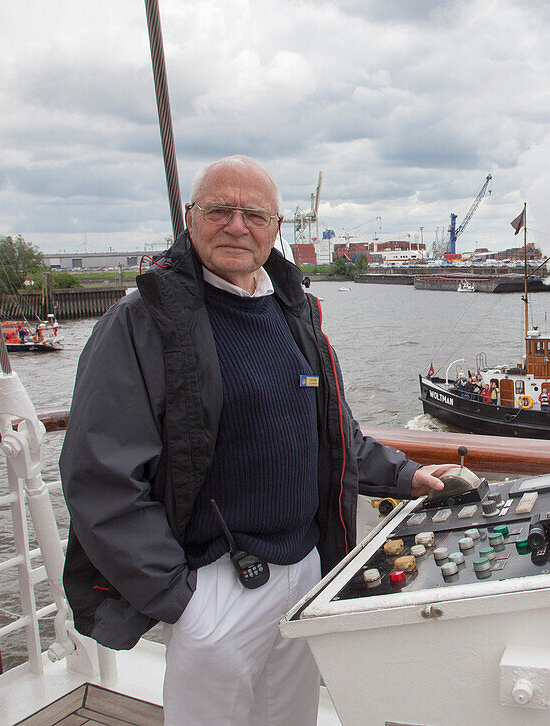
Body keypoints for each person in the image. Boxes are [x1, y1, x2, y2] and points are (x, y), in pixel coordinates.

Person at [60, 155, 454, 726]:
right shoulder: (143, 321)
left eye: (253, 213)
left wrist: (404, 475)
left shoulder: (291, 312)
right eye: (219, 209)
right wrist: (179, 600)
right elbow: (100, 476)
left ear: (276, 228)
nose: (236, 225)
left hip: (303, 569)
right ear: (191, 218)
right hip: (215, 584)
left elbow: (331, 434)